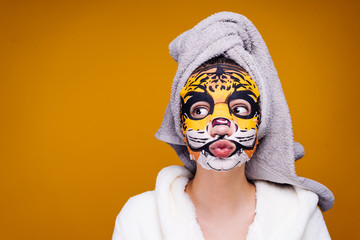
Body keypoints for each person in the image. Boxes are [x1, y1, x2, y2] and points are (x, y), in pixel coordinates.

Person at [112, 12, 334, 240]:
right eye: (199, 110)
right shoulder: (139, 217)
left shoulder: (300, 215)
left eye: (239, 109)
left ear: (261, 121)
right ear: (181, 124)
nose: (220, 127)